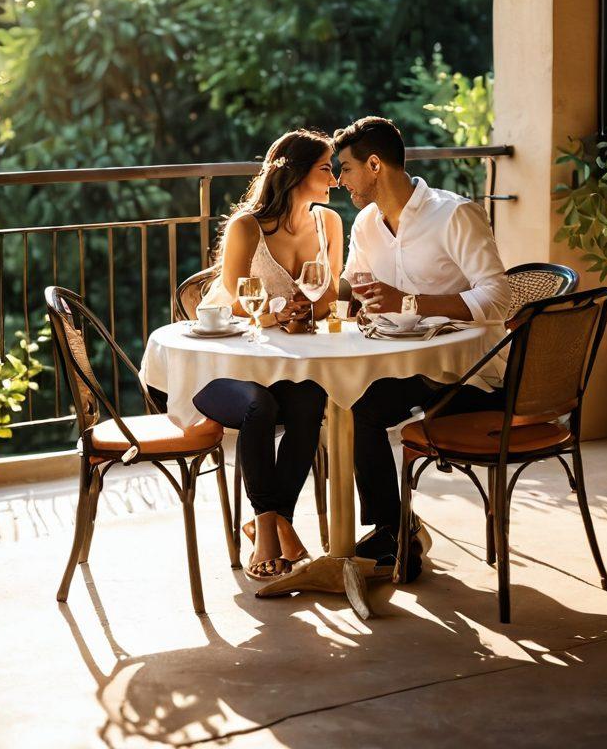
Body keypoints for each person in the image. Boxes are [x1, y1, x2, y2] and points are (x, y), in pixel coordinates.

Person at [334, 116, 511, 581]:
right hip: (410, 367)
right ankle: (395, 530)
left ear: (375, 165)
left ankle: (395, 538)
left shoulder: (454, 214)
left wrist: (407, 301)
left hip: (471, 376)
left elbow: (497, 298)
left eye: (346, 168)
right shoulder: (367, 223)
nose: (340, 181)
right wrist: (320, 296)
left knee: (361, 408)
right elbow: (353, 286)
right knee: (354, 409)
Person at [196, 129, 343, 580]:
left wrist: (309, 307)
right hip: (231, 368)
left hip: (288, 362)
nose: (335, 180)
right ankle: (270, 525)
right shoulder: (246, 226)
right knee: (261, 407)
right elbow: (238, 300)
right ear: (296, 173)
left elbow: (330, 295)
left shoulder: (330, 223)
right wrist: (282, 308)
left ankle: (273, 524)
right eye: (325, 169)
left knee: (309, 401)